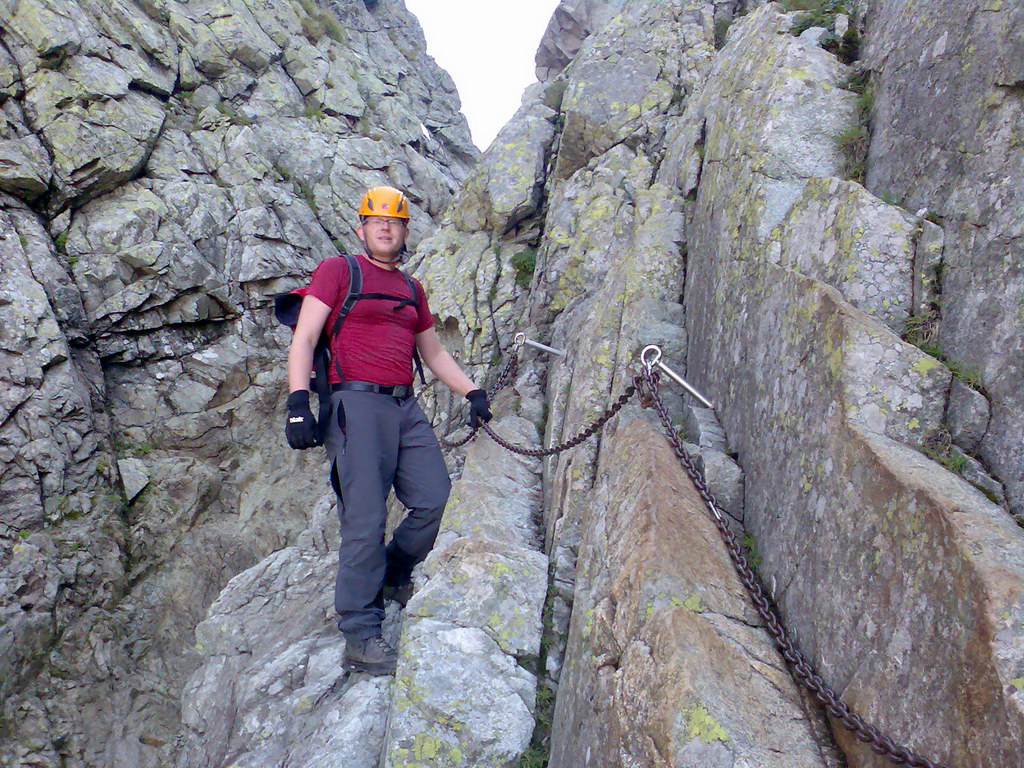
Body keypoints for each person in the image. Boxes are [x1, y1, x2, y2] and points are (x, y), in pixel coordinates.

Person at [284, 186, 492, 675]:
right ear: (362, 228)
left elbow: (433, 353)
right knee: (364, 519)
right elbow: (306, 336)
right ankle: (360, 631)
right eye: (376, 220)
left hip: (404, 406)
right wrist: (298, 403)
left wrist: (472, 392)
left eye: (394, 221)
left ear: (404, 232)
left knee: (436, 498)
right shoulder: (339, 272)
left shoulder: (411, 289)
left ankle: (395, 569)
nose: (385, 227)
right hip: (355, 405)